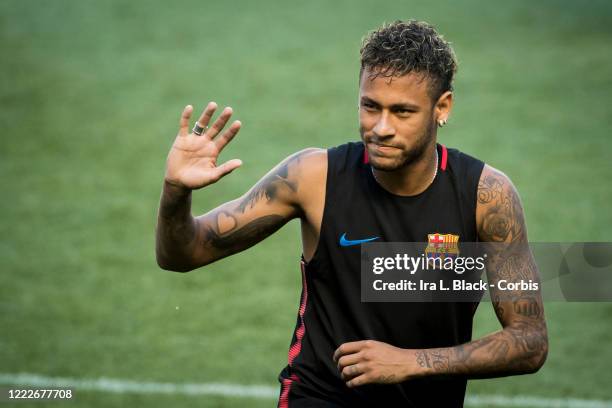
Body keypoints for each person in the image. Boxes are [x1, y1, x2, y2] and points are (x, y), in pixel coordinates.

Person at [156, 20, 548, 408]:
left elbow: (529, 342)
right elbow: (182, 255)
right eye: (369, 106)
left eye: (403, 112)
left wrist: (409, 362)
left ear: (441, 107)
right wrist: (176, 191)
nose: (381, 128)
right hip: (320, 397)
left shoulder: (486, 195)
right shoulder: (312, 178)